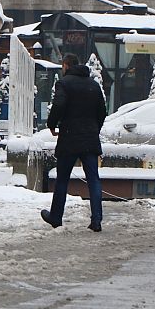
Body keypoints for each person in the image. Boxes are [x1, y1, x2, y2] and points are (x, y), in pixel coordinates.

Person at [42, 53, 107, 232]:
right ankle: (96, 220)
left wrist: (52, 124)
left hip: (69, 138)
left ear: (65, 65)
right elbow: (102, 111)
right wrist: (95, 129)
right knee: (93, 179)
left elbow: (59, 105)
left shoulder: (64, 83)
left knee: (62, 179)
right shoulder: (94, 85)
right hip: (90, 138)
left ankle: (56, 217)